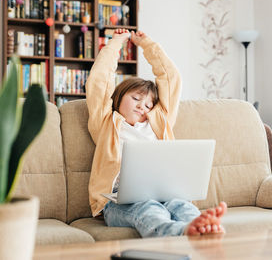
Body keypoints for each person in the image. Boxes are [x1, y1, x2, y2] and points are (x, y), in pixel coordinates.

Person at [85, 28, 227, 237]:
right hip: (117, 202)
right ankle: (179, 232)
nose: (143, 107)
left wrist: (147, 45)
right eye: (135, 99)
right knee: (149, 208)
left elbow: (171, 78)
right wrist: (116, 43)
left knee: (181, 205)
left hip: (164, 193)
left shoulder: (160, 121)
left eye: (149, 105)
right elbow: (99, 81)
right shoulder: (106, 122)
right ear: (118, 97)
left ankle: (202, 226)